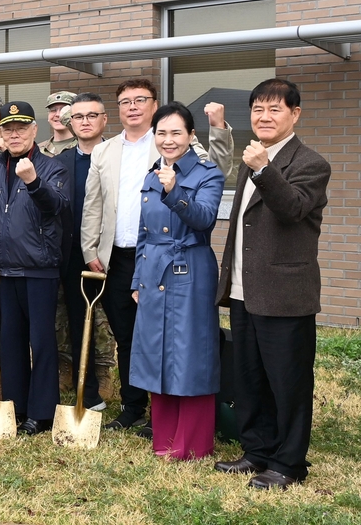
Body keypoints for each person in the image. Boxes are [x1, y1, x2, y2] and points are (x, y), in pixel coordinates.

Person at [81, 78, 233, 437]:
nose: (132, 107)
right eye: (125, 102)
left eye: (140, 100)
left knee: (172, 338)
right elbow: (93, 203)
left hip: (172, 258)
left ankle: (161, 413)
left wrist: (219, 128)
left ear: (154, 107)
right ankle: (134, 406)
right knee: (130, 337)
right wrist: (91, 249)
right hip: (118, 257)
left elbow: (218, 167)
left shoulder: (172, 144)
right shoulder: (105, 150)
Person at [214, 79, 330, 490]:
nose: (264, 117)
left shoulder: (310, 163)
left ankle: (289, 463)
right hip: (246, 290)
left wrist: (264, 169)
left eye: (275, 109)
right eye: (258, 109)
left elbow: (293, 209)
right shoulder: (251, 160)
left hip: (284, 293)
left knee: (289, 382)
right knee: (250, 377)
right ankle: (257, 451)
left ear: (295, 114)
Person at [130, 102, 225, 460]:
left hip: (190, 267)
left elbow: (204, 220)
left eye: (176, 133)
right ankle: (164, 438)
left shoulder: (207, 173)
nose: (168, 140)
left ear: (191, 135)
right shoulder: (151, 172)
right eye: (161, 133)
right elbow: (144, 231)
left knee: (190, 352)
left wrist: (174, 193)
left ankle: (193, 444)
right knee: (156, 351)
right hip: (154, 270)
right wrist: (138, 279)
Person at [0, 101, 68, 436]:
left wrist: (34, 182)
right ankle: (15, 407)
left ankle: (42, 412)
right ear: (2, 134)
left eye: (21, 127)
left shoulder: (52, 167)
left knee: (42, 341)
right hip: (5, 269)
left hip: (39, 267)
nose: (14, 133)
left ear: (35, 130)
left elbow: (57, 206)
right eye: (8, 128)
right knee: (11, 341)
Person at [53, 93, 114, 409]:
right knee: (79, 323)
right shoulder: (60, 163)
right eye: (79, 116)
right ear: (71, 123)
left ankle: (134, 399)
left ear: (105, 119)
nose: (85, 121)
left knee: (121, 325)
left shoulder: (118, 155)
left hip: (115, 253)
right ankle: (88, 391)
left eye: (92, 115)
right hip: (73, 256)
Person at [39, 91, 77, 156]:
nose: (58, 114)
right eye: (53, 110)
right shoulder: (38, 150)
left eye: (64, 110)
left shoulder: (84, 146)